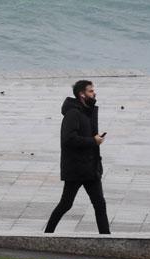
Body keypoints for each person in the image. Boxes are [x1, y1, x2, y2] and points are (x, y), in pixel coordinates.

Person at [44, 79, 111, 234]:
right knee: (66, 204)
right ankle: (47, 234)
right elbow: (69, 139)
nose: (94, 93)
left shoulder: (88, 112)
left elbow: (87, 135)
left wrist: (95, 139)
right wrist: (93, 141)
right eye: (90, 91)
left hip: (91, 168)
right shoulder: (73, 114)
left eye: (93, 91)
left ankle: (106, 239)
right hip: (76, 169)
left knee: (100, 204)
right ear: (82, 94)